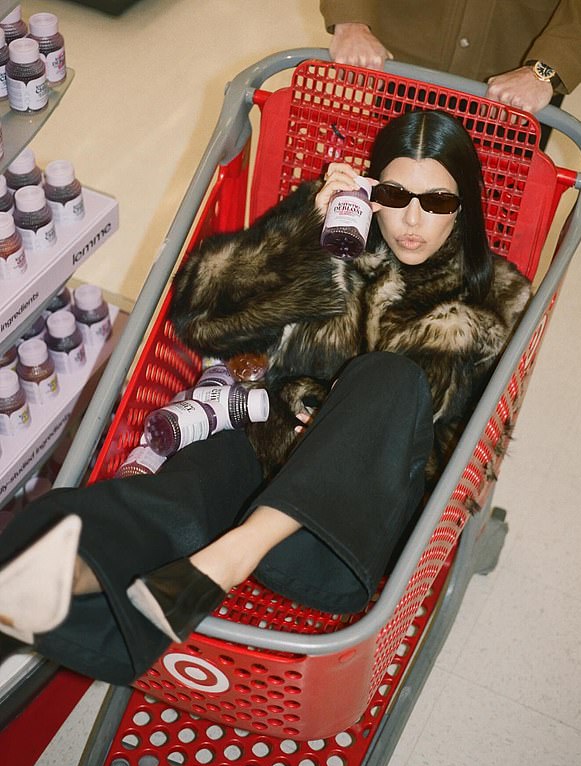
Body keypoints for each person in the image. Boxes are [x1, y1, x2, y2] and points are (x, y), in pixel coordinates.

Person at [0, 110, 531, 686]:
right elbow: (197, 315)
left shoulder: (497, 301)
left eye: (438, 202)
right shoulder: (336, 243)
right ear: (372, 189)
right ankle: (45, 577)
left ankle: (232, 556)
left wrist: (343, 429)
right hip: (252, 483)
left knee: (389, 380)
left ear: (465, 205)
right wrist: (302, 225)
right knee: (198, 472)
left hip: (339, 538)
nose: (412, 219)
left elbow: (462, 456)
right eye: (396, 193)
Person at [320, 0, 581, 115]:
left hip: (517, 78)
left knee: (488, 227)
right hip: (395, 59)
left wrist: (545, 70)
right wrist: (350, 18)